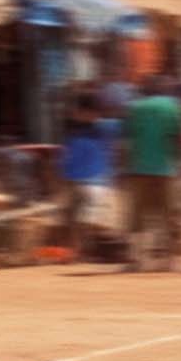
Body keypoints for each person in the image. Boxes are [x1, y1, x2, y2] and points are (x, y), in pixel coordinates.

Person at [121, 75, 181, 272]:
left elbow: (126, 140)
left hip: (139, 168)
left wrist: (124, 166)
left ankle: (135, 260)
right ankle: (172, 261)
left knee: (137, 216)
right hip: (166, 169)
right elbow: (179, 137)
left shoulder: (134, 108)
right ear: (163, 89)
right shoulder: (174, 106)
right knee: (171, 215)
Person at [58, 90, 120, 262]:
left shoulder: (105, 127)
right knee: (73, 219)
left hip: (96, 181)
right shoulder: (72, 129)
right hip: (75, 178)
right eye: (77, 112)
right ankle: (75, 253)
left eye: (80, 111)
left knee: (88, 220)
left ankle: (85, 251)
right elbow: (67, 153)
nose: (76, 114)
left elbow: (124, 127)